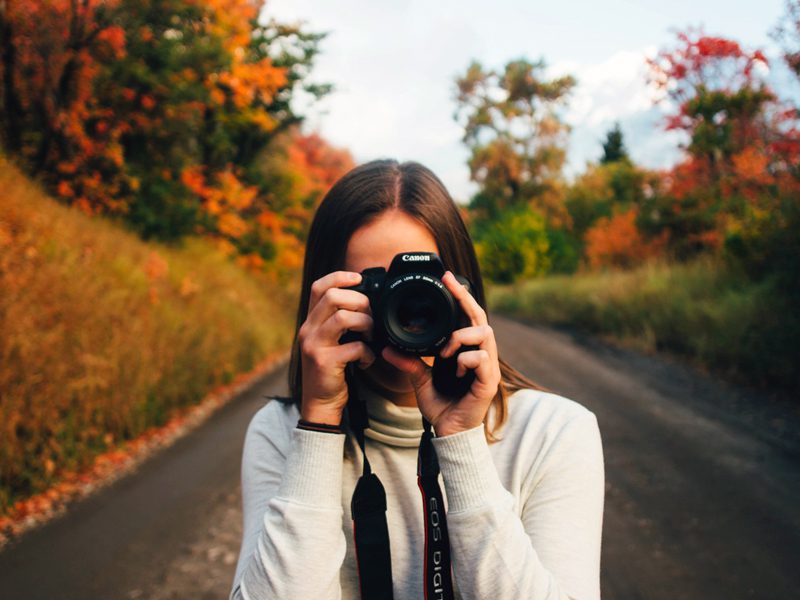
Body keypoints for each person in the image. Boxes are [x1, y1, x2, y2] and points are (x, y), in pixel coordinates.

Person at [229, 159, 605, 600]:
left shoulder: (554, 432)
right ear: (324, 297)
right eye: (376, 288)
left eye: (421, 287)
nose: (404, 310)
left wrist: (462, 439)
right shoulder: (282, 431)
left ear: (463, 289)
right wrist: (318, 422)